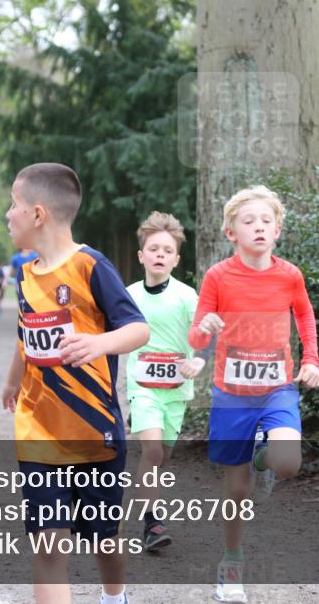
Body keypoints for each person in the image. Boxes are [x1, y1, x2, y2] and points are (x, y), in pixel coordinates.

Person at [1, 162, 149, 604]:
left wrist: (100, 343)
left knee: (104, 538)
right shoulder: (26, 276)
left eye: (14, 204)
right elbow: (26, 334)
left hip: (93, 431)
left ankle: (114, 595)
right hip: (38, 430)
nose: (7, 214)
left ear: (39, 214)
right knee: (49, 542)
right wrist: (13, 381)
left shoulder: (91, 266)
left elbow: (137, 329)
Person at [188, 185, 319, 604]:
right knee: (236, 490)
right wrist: (204, 331)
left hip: (277, 388)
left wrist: (311, 359)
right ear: (231, 232)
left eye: (266, 221)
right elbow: (196, 334)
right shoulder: (218, 276)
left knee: (287, 462)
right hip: (232, 394)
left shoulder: (290, 275)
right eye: (249, 222)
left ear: (278, 230)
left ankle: (266, 454)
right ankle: (231, 563)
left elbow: (304, 314)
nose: (258, 228)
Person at [125, 212, 207, 551]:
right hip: (142, 388)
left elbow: (203, 334)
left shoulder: (188, 296)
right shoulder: (127, 295)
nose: (160, 254)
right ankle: (152, 524)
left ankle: (150, 506)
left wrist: (198, 359)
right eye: (153, 248)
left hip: (175, 391)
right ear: (141, 255)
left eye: (167, 250)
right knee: (153, 450)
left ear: (175, 259)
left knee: (162, 458)